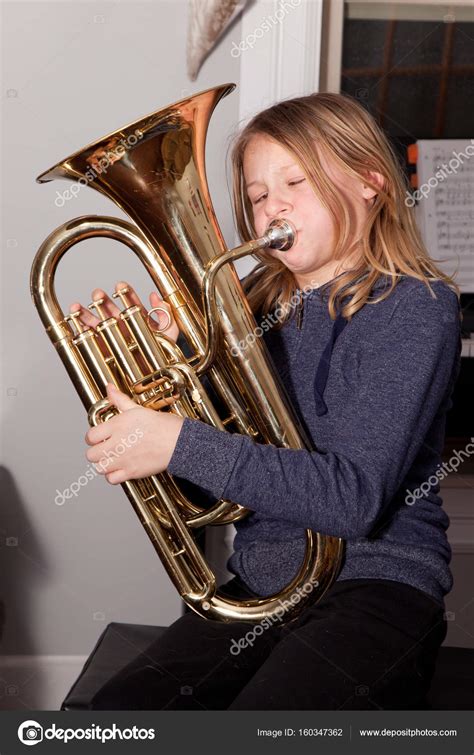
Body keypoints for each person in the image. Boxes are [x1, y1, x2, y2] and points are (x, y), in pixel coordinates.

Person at [69, 92, 461, 710]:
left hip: (376, 583)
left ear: (371, 183)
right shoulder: (244, 314)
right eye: (256, 196)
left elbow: (351, 498)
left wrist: (179, 440)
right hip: (263, 583)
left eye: (296, 181)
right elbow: (213, 499)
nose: (272, 205)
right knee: (120, 715)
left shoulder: (414, 308)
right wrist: (159, 401)